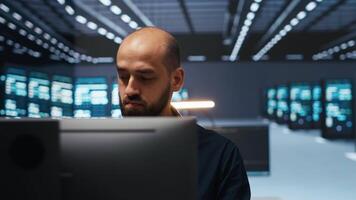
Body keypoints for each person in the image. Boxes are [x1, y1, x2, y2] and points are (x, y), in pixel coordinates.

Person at [116, 27, 250, 200]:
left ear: (176, 80)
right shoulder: (94, 153)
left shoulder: (220, 157)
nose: (130, 89)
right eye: (123, 76)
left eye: (145, 77)